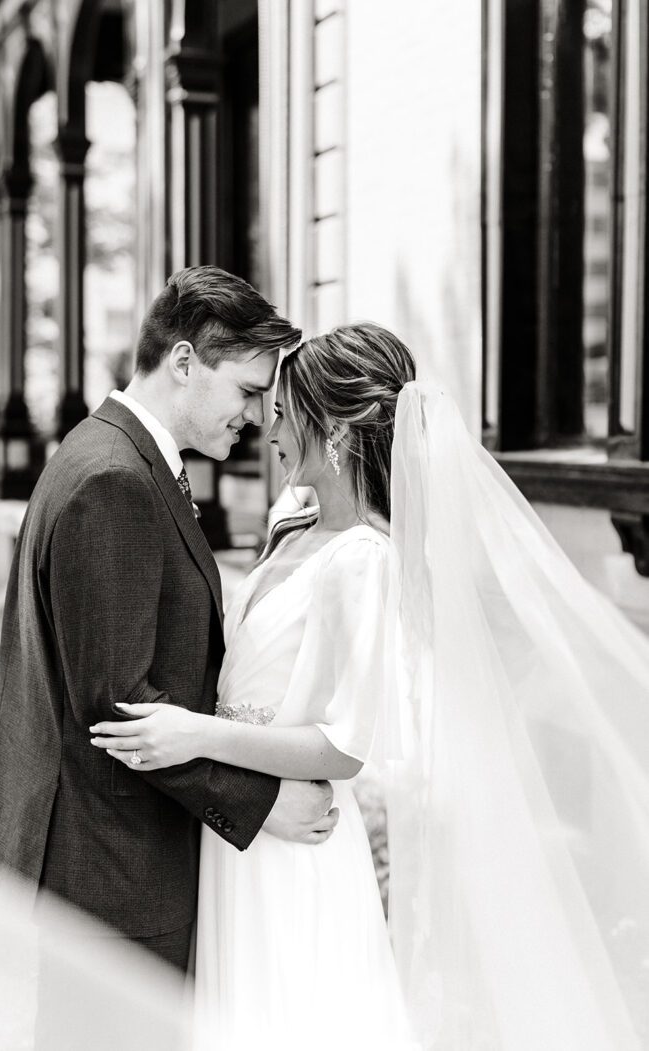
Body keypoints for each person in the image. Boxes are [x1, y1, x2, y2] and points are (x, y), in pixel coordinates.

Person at [93, 321, 649, 1051]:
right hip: (241, 833)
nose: (268, 429)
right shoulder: (292, 529)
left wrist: (194, 734)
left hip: (296, 848)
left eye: (284, 413)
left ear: (337, 430)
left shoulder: (363, 559)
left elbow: (344, 745)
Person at [0, 267, 339, 999]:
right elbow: (118, 706)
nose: (257, 416)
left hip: (110, 862)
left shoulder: (115, 456)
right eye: (248, 390)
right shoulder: (114, 480)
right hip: (113, 869)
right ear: (184, 361)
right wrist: (261, 801)